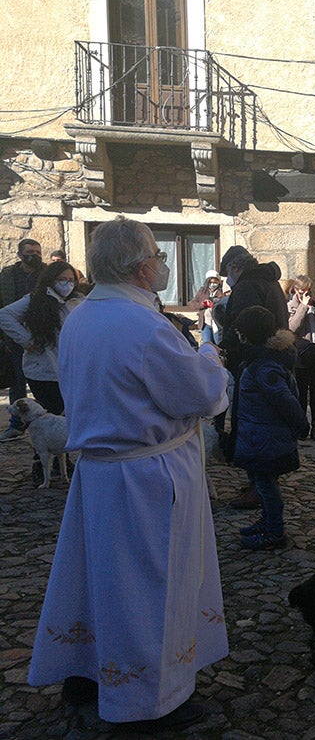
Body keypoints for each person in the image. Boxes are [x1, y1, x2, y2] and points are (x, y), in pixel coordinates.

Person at [27, 216, 229, 731]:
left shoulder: (81, 317)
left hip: (99, 474)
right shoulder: (143, 326)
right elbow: (199, 395)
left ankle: (87, 673)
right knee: (148, 589)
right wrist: (209, 355)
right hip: (146, 478)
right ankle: (148, 702)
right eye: (159, 257)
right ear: (143, 268)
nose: (162, 264)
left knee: (99, 580)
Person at [231, 305, 310, 550]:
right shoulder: (259, 360)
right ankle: (266, 521)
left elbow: (285, 400)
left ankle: (275, 531)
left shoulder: (264, 366)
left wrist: (301, 425)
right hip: (257, 435)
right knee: (260, 481)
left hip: (266, 438)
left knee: (266, 485)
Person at [0, 261, 85, 483]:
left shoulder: (77, 302)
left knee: (64, 418)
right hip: (42, 370)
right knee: (47, 419)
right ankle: (40, 464)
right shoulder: (34, 300)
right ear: (51, 279)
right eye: (62, 280)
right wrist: (27, 340)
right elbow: (5, 316)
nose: (67, 284)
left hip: (68, 369)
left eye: (70, 280)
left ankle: (61, 461)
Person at [218, 244, 288, 509]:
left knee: (250, 426)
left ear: (236, 267)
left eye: (228, 271)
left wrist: (231, 352)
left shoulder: (248, 286)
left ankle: (260, 486)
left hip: (252, 363)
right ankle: (261, 482)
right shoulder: (268, 283)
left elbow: (246, 325)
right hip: (269, 359)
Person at [0, 238, 44, 441]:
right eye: (29, 252)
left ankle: (45, 422)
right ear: (20, 254)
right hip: (14, 339)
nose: (33, 255)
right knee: (18, 383)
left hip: (42, 336)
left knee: (44, 383)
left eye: (37, 251)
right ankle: (16, 425)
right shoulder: (7, 276)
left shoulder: (46, 274)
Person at [287, 275, 315, 440]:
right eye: (302, 291)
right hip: (302, 355)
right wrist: (303, 307)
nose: (306, 295)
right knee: (301, 393)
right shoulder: (291, 306)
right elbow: (291, 328)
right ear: (295, 290)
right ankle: (301, 425)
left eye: (308, 291)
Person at [193, 269, 226, 344]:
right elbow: (192, 303)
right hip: (205, 323)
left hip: (217, 324)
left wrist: (215, 303)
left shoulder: (222, 291)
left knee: (218, 344)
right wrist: (202, 304)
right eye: (211, 282)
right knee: (207, 344)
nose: (213, 284)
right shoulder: (202, 291)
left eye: (215, 282)